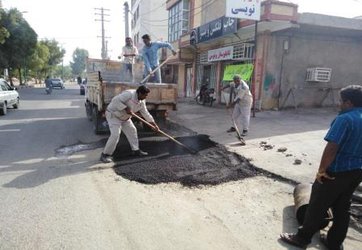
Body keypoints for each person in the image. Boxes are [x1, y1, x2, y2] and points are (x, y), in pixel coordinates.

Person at [280, 85, 362, 250]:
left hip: (336, 172)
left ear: (348, 102)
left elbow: (332, 147)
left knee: (317, 205)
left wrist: (322, 171)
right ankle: (334, 243)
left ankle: (302, 239)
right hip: (357, 172)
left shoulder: (345, 119)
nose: (339, 104)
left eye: (341, 101)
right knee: (342, 208)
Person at [100, 85, 159, 163]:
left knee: (132, 130)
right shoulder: (129, 94)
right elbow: (115, 100)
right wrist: (125, 108)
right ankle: (105, 154)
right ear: (140, 93)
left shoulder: (141, 102)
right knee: (115, 135)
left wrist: (154, 124)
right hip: (113, 115)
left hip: (125, 118)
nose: (146, 97)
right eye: (145, 95)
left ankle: (136, 150)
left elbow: (146, 114)